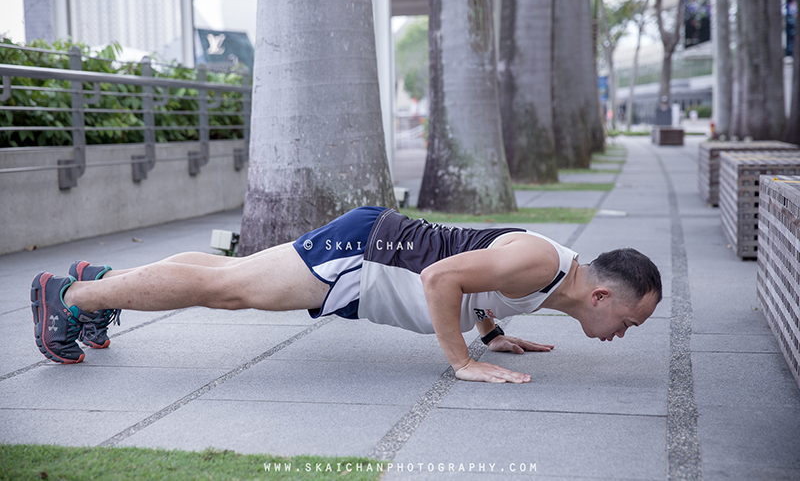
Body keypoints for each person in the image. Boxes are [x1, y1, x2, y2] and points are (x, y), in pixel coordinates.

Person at [30, 206, 662, 383]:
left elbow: (477, 283)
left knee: (238, 276)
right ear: (604, 296)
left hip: (373, 252)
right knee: (229, 291)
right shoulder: (541, 262)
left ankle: (102, 285)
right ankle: (70, 295)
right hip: (368, 257)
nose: (625, 334)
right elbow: (443, 278)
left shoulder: (555, 279)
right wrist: (463, 361)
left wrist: (493, 332)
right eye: (632, 322)